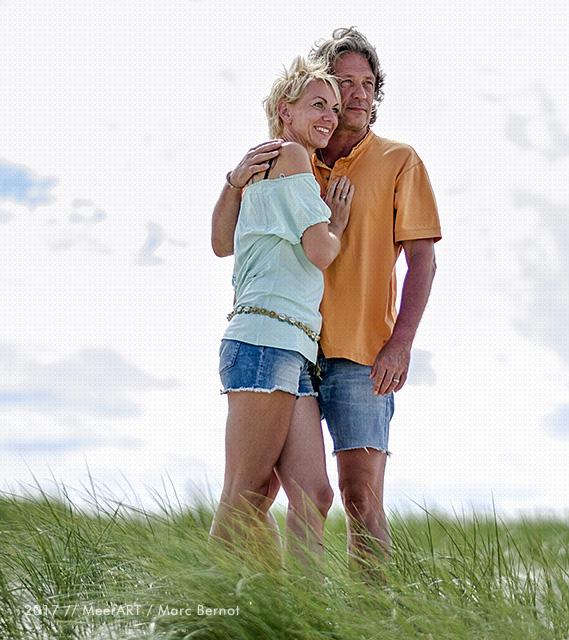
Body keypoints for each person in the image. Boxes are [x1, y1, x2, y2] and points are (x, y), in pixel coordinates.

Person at [211, 27, 441, 576]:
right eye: (341, 86)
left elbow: (422, 259)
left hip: (363, 355)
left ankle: (369, 619)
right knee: (261, 490)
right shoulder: (291, 157)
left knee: (357, 497)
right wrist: (234, 181)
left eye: (367, 85)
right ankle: (244, 609)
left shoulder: (399, 160)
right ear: (305, 101)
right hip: (289, 348)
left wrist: (401, 344)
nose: (355, 96)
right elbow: (229, 244)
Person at [208, 57, 355, 561]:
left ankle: (297, 616)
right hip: (263, 343)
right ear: (283, 111)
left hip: (293, 350)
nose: (331, 116)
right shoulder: (291, 157)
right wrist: (336, 221)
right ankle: (211, 613)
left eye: (334, 108)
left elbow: (220, 243)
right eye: (318, 104)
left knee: (313, 494)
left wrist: (233, 182)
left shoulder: (271, 168)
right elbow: (321, 250)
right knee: (245, 497)